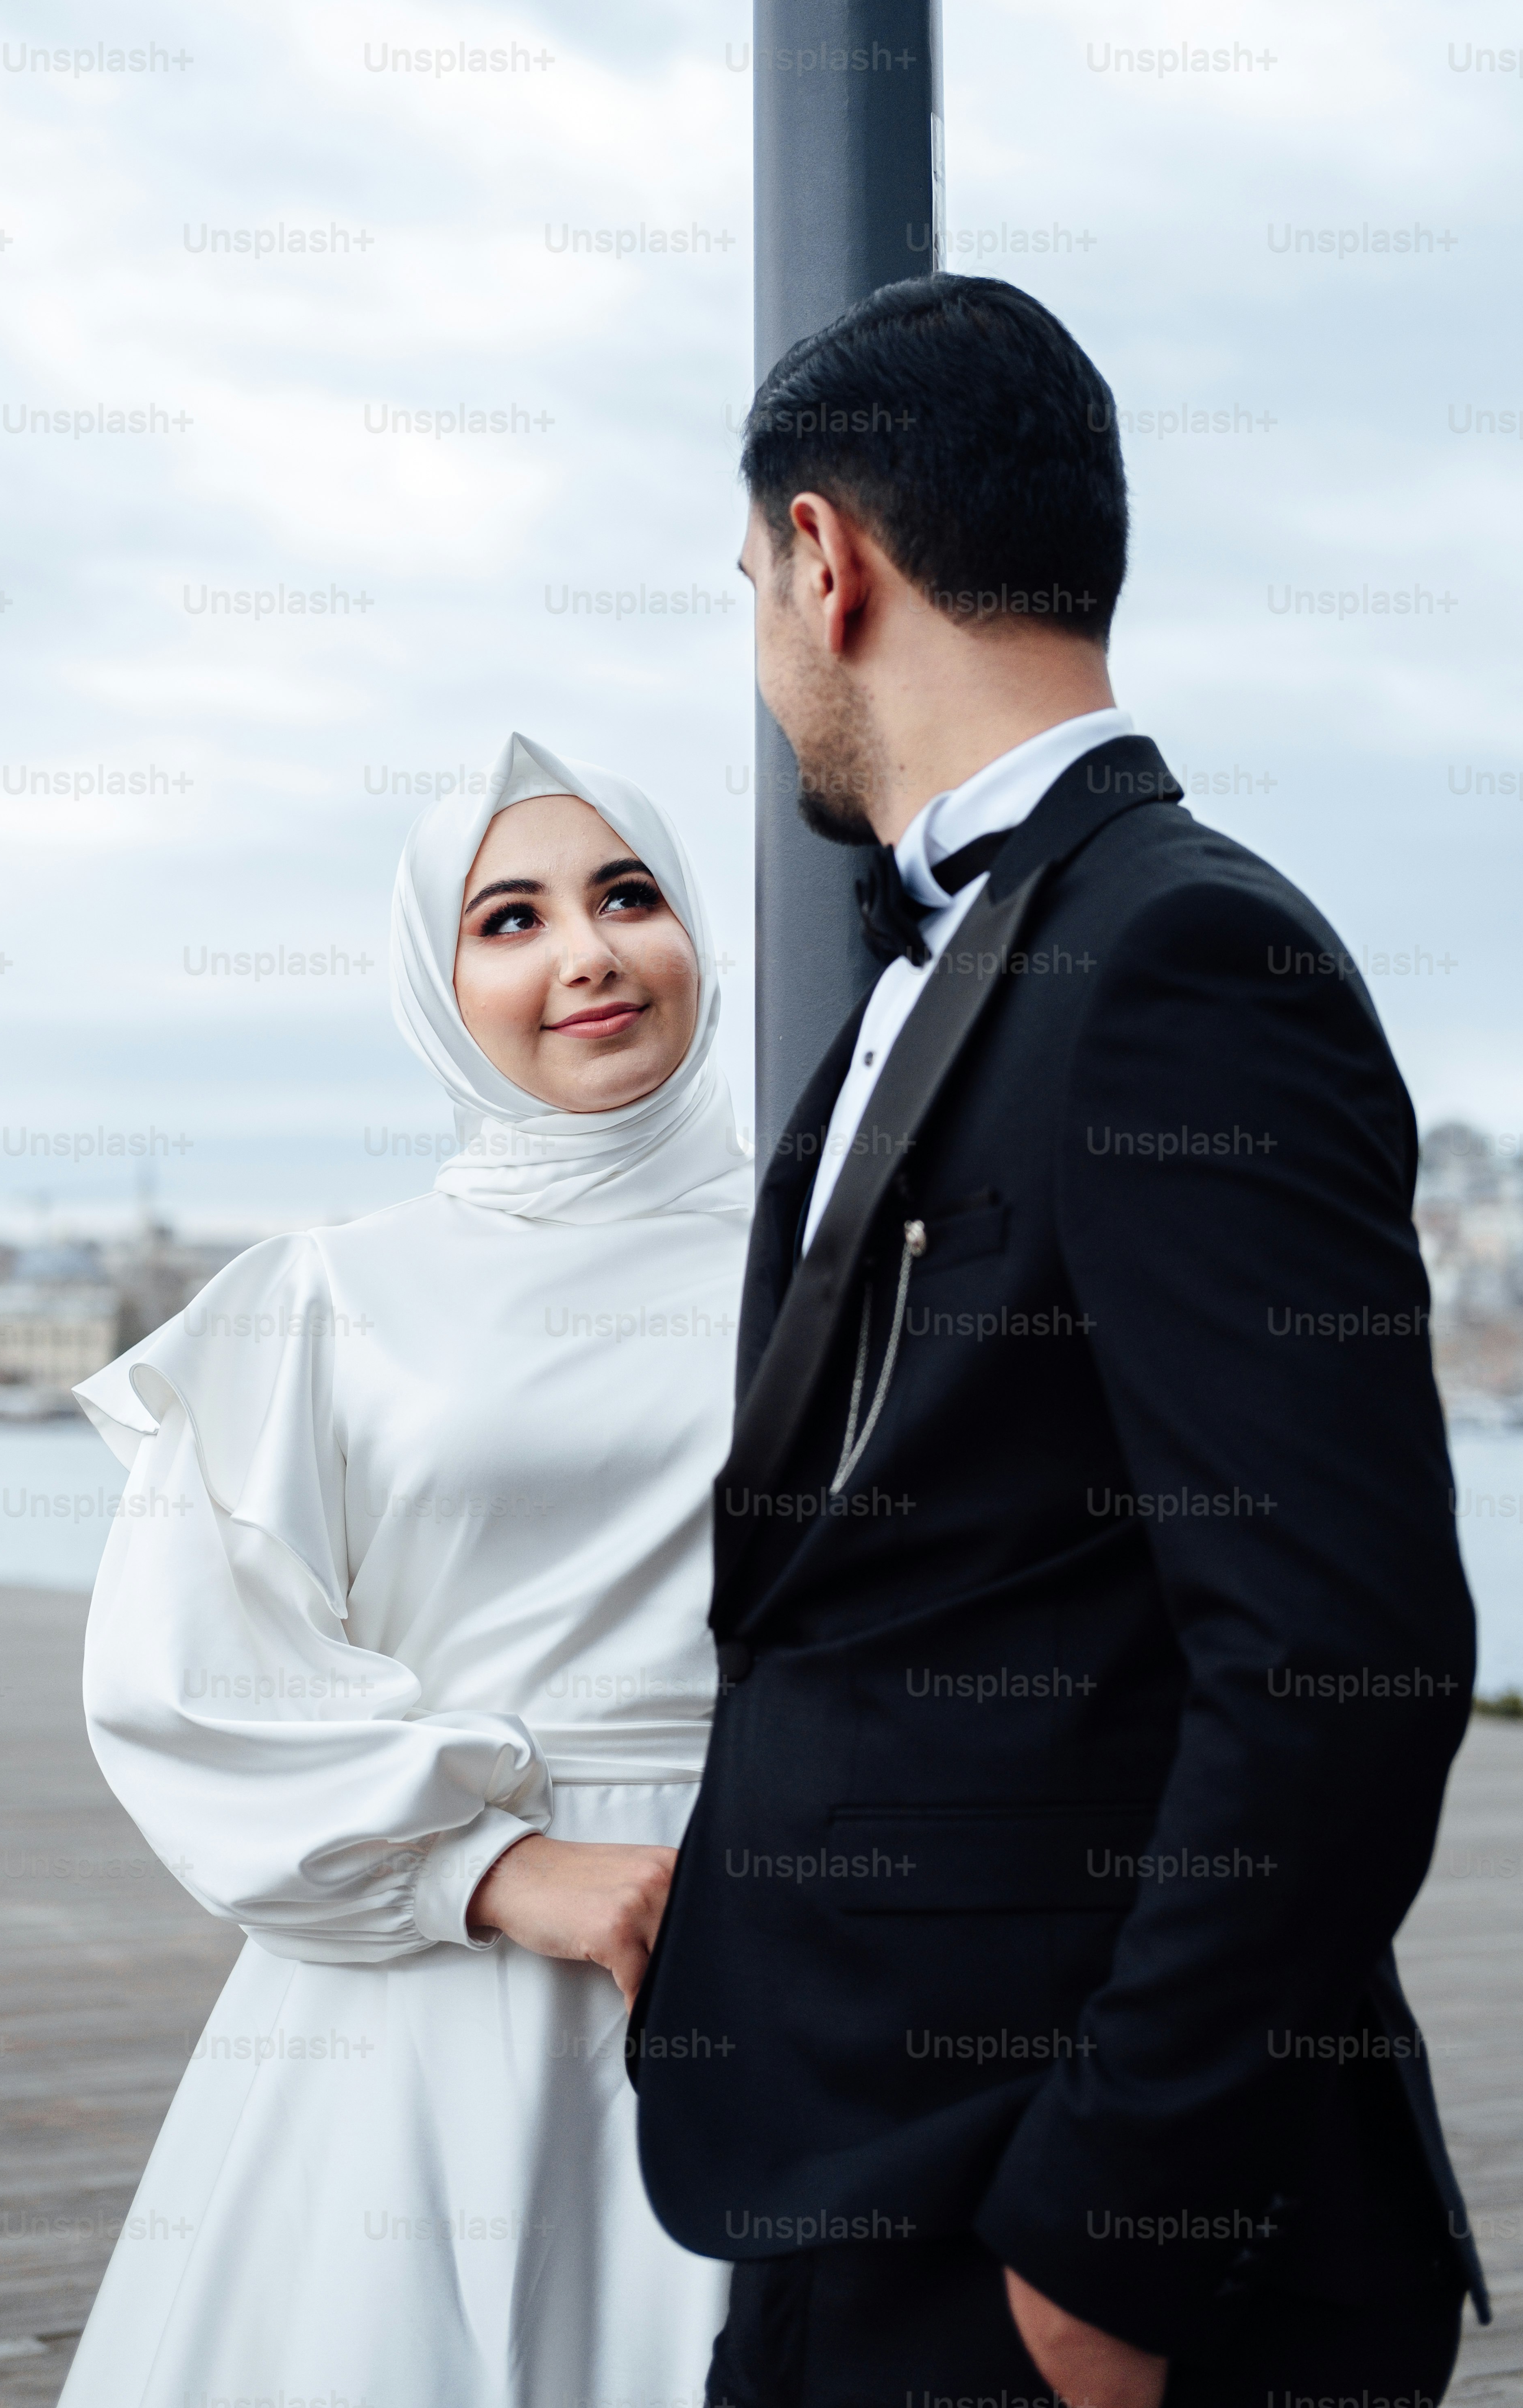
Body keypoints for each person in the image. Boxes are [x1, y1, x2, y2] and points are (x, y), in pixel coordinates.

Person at [629, 276, 1487, 2408]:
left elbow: (1340, 1659)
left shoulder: (1184, 954)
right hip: (853, 2174)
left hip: (1061, 2238)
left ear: (821, 562)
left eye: (750, 584)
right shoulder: (967, 960)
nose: (760, 654)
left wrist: (1104, 2242)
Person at [57, 734, 748, 2408]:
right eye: (508, 919)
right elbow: (182, 1668)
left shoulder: (828, 1249)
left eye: (628, 894)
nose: (586, 950)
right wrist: (502, 1867)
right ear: (436, 991)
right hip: (438, 1980)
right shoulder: (333, 1295)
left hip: (782, 1942)